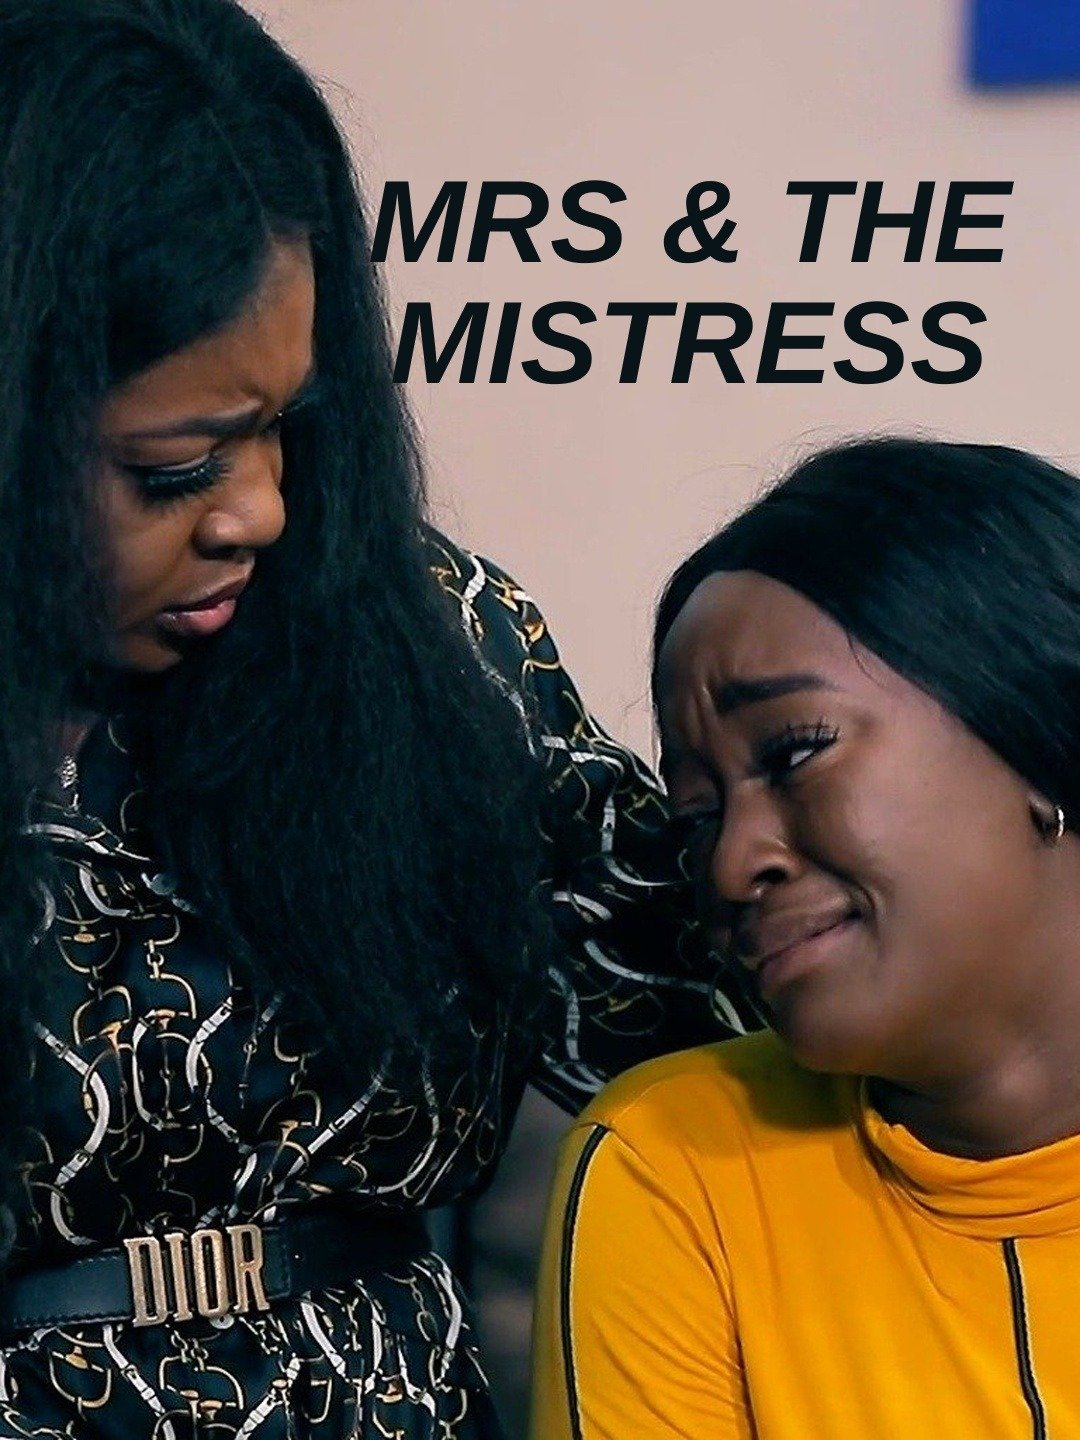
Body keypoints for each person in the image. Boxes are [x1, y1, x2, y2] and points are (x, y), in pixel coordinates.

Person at [0, 2, 756, 1435]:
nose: (263, 511)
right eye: (177, 468)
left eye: (287, 425)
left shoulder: (425, 638)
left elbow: (716, 1006)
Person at [531, 436, 1080, 1439]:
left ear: (1042, 731)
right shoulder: (679, 1165)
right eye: (696, 818)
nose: (731, 864)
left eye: (795, 752)